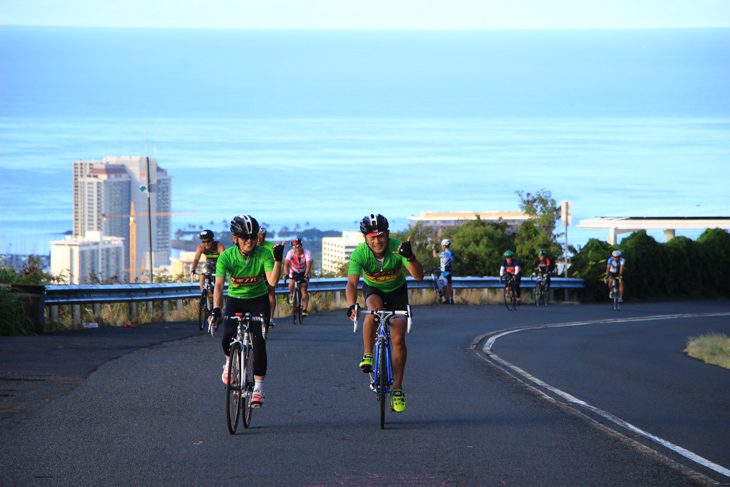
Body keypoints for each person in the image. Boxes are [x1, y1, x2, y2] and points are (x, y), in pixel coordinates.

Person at [346, 213, 424, 413]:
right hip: (374, 291)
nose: (376, 240)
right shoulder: (360, 253)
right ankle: (368, 354)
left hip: (398, 292)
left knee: (398, 338)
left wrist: (410, 256)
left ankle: (397, 389)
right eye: (371, 236)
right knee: (373, 311)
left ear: (387, 234)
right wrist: (352, 304)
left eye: (380, 235)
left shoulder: (398, 248)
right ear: (365, 238)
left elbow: (419, 276)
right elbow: (352, 283)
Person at [211, 215, 284, 408]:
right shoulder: (226, 257)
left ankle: (258, 388)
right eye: (244, 236)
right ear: (235, 238)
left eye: (252, 236)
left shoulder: (263, 253)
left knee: (259, 343)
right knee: (227, 334)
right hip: (236, 301)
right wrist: (216, 309)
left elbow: (273, 281)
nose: (249, 240)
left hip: (258, 302)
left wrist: (278, 260)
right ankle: (229, 362)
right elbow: (218, 286)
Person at [190, 230, 225, 301]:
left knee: (217, 285)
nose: (206, 244)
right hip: (209, 266)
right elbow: (196, 259)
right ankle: (203, 294)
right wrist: (193, 268)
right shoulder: (201, 248)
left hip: (219, 266)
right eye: (204, 242)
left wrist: (222, 271)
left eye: (208, 241)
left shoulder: (219, 246)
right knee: (203, 274)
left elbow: (223, 260)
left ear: (213, 240)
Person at [285, 238, 312, 317]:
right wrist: (286, 274)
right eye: (295, 247)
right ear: (292, 248)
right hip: (294, 271)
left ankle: (304, 309)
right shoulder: (290, 253)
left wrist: (306, 275)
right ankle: (292, 294)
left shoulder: (307, 252)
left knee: (304, 288)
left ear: (301, 246)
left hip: (304, 271)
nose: (297, 249)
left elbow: (308, 265)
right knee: (291, 283)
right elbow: (286, 264)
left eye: (298, 246)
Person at [257, 227, 278, 325]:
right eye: (257, 234)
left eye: (261, 235)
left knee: (271, 291)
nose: (258, 237)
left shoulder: (270, 246)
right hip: (257, 271)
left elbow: (275, 260)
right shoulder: (251, 245)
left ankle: (270, 318)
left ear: (264, 236)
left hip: (268, 270)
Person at [432, 238, 454, 304]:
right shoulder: (451, 253)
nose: (441, 247)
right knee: (450, 286)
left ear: (444, 246)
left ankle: (447, 299)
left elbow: (435, 256)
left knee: (445, 286)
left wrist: (433, 249)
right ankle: (452, 299)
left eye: (442, 246)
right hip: (449, 271)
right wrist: (438, 251)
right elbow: (443, 255)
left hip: (444, 272)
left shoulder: (444, 254)